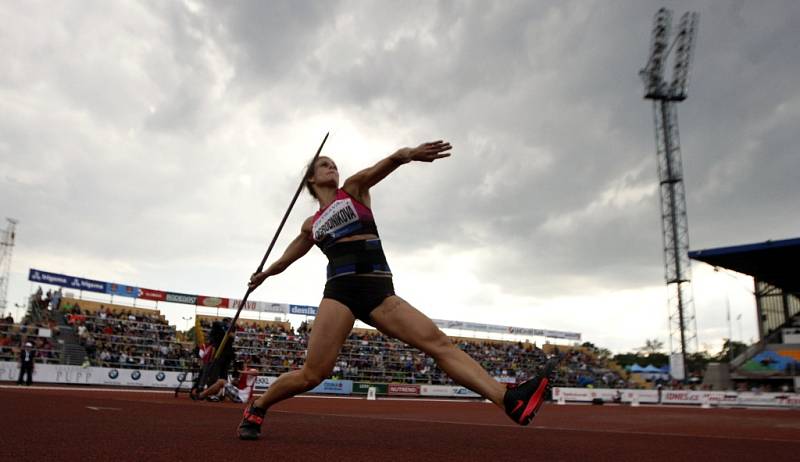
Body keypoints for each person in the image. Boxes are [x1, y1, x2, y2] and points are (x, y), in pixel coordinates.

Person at [237, 140, 556, 440]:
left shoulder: (354, 190)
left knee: (438, 343)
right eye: (324, 165)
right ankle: (259, 406)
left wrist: (410, 154)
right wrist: (264, 274)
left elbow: (388, 162)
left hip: (378, 289)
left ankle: (509, 401)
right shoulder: (312, 224)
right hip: (340, 291)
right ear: (310, 179)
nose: (332, 167)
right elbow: (289, 255)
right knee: (312, 374)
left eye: (334, 164)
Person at [191, 320, 235, 401]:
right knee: (213, 376)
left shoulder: (220, 334)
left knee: (217, 376)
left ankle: (216, 393)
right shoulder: (217, 335)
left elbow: (232, 336)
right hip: (217, 358)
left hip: (220, 357)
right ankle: (208, 392)